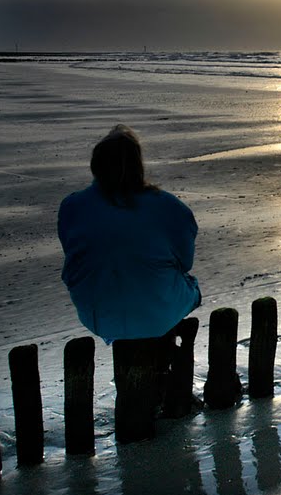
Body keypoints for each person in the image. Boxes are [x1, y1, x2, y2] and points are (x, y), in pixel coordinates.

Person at [58, 124, 201, 342]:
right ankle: (166, 342)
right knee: (189, 287)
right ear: (137, 165)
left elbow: (75, 255)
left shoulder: (72, 206)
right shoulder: (168, 206)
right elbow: (185, 262)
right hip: (156, 312)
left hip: (97, 314)